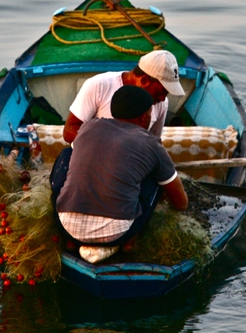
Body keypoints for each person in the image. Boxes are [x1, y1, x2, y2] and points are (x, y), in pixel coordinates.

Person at [51, 85, 188, 262]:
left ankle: (70, 242)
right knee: (157, 178)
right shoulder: (151, 144)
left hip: (66, 225)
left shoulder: (88, 128)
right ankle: (132, 239)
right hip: (118, 233)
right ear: (143, 116)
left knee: (66, 154)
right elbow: (180, 202)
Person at [63, 49, 185, 143]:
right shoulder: (98, 85)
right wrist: (105, 147)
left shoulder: (161, 103)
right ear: (144, 80)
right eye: (160, 92)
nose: (163, 98)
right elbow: (70, 130)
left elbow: (154, 141)